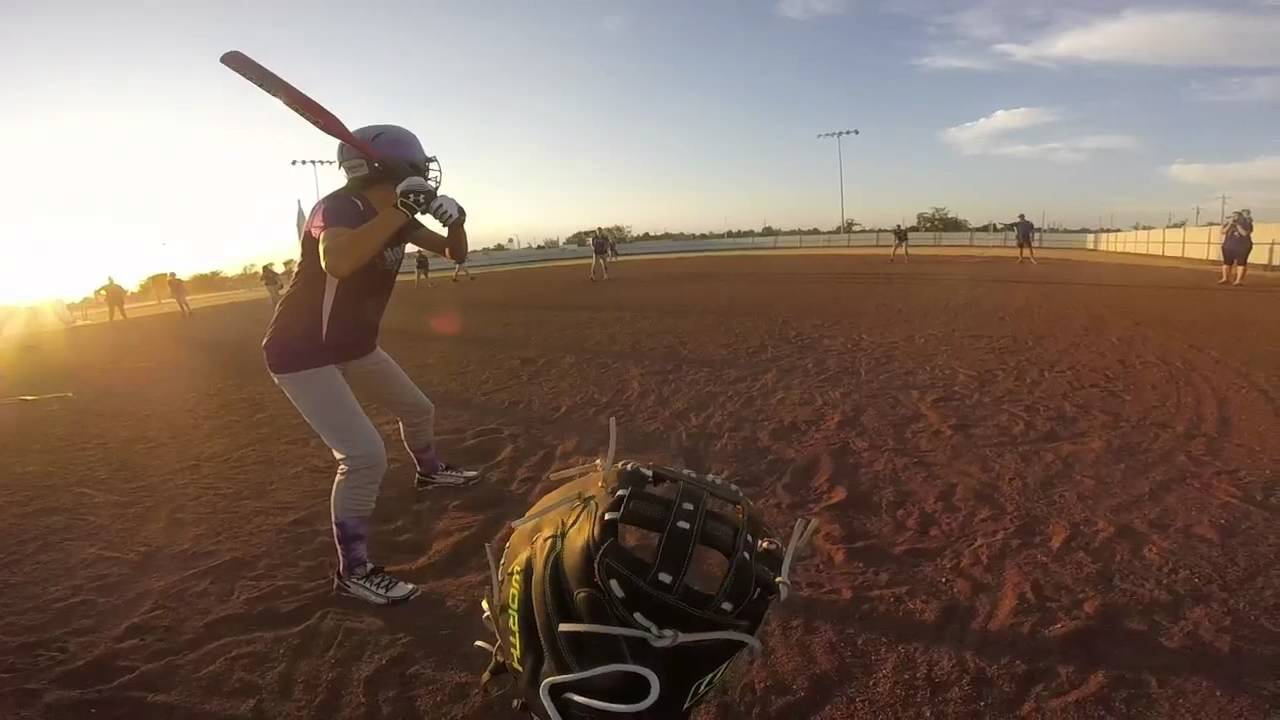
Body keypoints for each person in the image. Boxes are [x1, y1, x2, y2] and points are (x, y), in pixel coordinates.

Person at [262, 124, 479, 606]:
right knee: (363, 456)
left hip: (353, 345)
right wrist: (402, 210)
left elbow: (455, 253)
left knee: (418, 409)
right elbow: (338, 261)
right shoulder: (338, 207)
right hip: (302, 350)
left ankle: (428, 472)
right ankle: (353, 570)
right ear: (396, 166)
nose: (425, 171)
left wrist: (457, 223)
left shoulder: (392, 214)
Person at [1219, 209, 1254, 286]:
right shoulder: (1228, 224)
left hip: (1242, 247)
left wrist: (1238, 225)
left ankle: (1238, 281)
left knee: (1241, 264)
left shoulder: (1247, 224)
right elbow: (1223, 232)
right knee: (1226, 263)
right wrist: (1229, 224)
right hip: (1228, 246)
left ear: (1240, 217)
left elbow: (1244, 233)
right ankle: (1225, 278)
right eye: (1233, 216)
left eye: (1235, 216)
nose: (1234, 218)